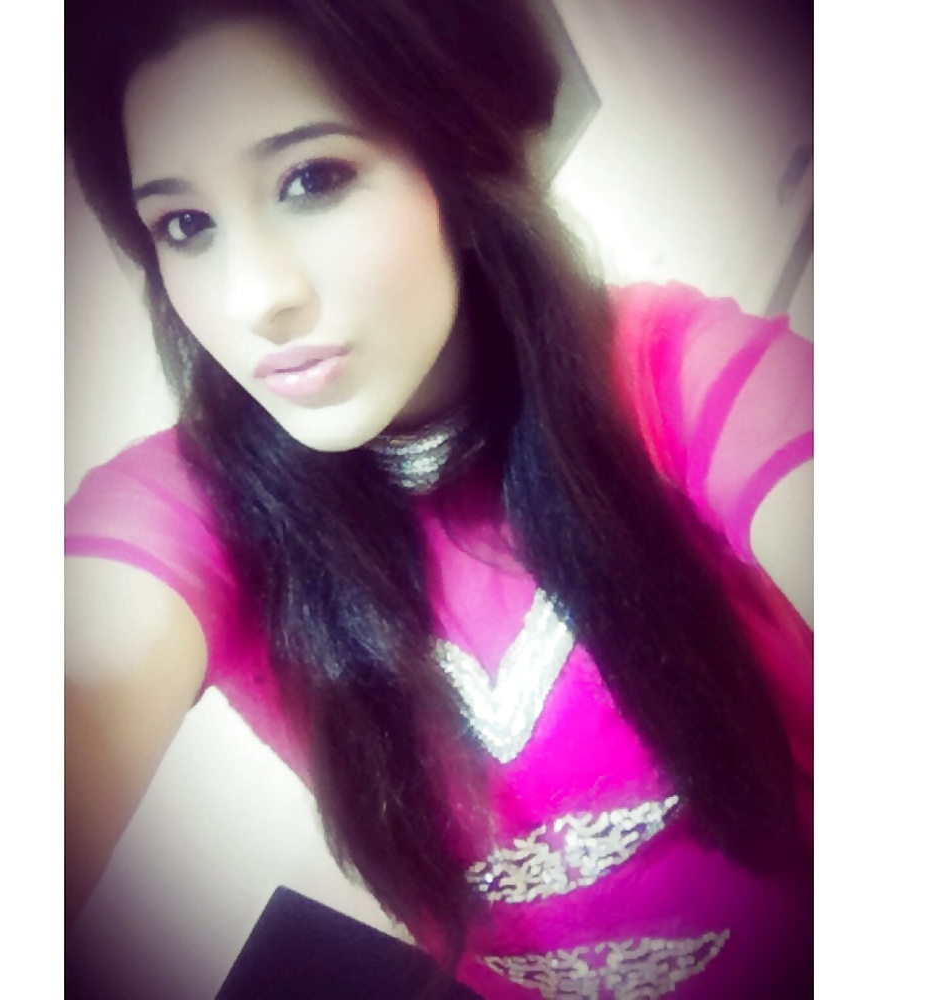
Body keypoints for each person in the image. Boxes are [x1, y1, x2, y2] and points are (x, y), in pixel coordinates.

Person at [64, 1, 814, 997]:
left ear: (452, 152)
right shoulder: (195, 507)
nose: (254, 299)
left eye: (313, 177)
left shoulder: (674, 377)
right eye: (185, 224)